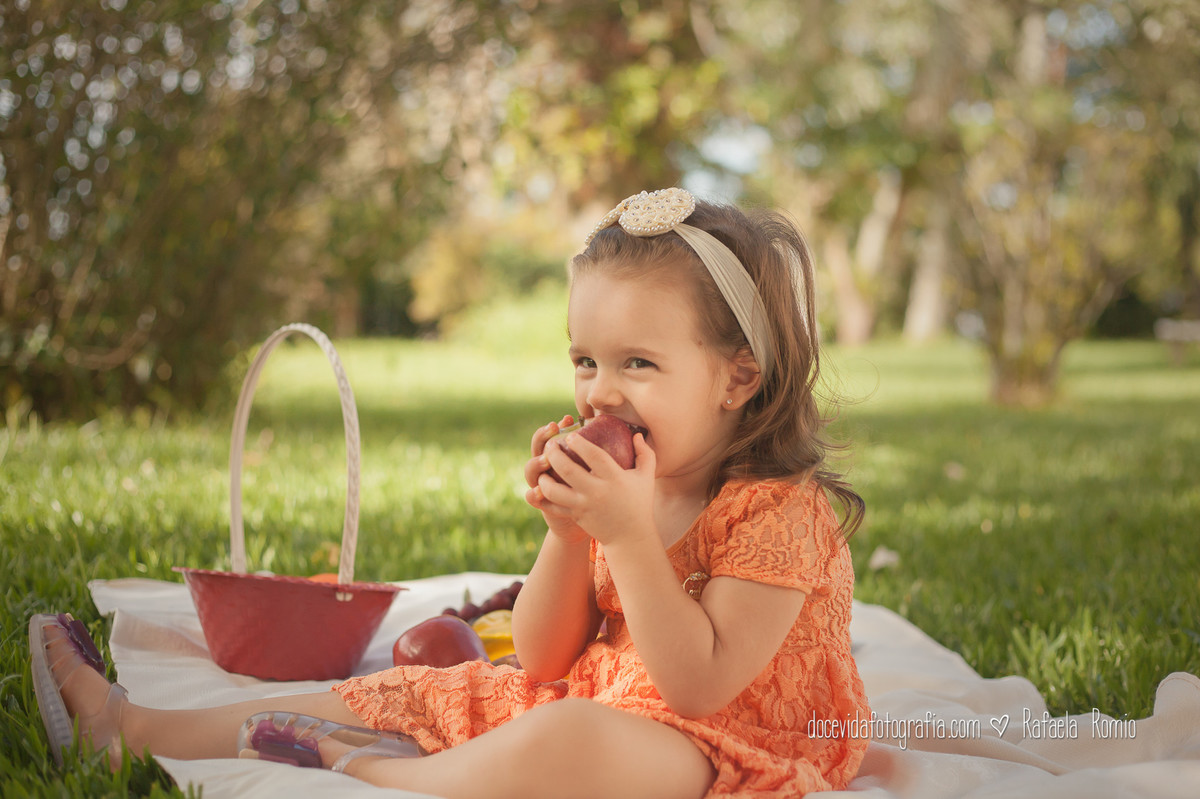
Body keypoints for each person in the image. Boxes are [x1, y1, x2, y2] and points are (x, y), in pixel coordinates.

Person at [30, 187, 869, 798]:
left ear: (737, 377)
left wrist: (627, 535)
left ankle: (382, 770)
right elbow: (542, 659)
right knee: (435, 688)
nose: (599, 393)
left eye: (638, 363)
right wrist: (568, 533)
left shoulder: (780, 511)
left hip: (735, 741)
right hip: (610, 702)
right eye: (585, 359)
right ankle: (134, 729)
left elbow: (697, 686)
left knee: (568, 737)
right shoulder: (628, 486)